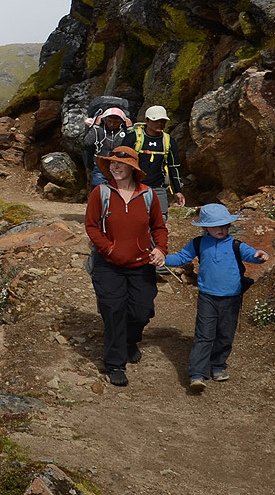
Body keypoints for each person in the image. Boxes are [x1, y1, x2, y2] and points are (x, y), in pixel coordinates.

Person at [84, 145, 168, 387]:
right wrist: (109, 248)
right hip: (108, 265)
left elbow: (159, 228)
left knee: (141, 312)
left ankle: (130, 341)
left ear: (133, 168)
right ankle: (115, 363)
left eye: (121, 164)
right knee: (113, 311)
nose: (115, 167)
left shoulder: (148, 195)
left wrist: (160, 249)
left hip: (141, 265)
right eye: (112, 163)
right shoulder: (101, 193)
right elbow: (91, 226)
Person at [163, 203, 268, 393]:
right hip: (207, 297)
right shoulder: (198, 243)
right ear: (205, 227)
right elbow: (181, 257)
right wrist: (162, 259)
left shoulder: (236, 245)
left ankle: (218, 365)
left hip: (231, 298)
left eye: (225, 225)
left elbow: (252, 254)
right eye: (217, 225)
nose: (222, 229)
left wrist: (260, 255)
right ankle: (197, 373)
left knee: (225, 334)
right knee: (204, 334)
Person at [131, 106, 187, 212]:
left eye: (162, 121)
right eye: (156, 121)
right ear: (147, 120)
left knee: (161, 219)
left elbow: (174, 167)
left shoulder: (168, 141)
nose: (160, 124)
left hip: (158, 188)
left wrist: (178, 190)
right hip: (135, 187)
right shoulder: (133, 138)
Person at [82, 107, 134, 188]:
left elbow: (133, 145)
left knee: (118, 192)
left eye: (116, 122)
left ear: (121, 121)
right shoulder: (100, 129)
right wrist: (96, 126)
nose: (112, 124)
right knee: (99, 190)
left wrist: (130, 129)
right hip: (101, 166)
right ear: (105, 119)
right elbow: (88, 142)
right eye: (109, 121)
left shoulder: (124, 131)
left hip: (119, 167)